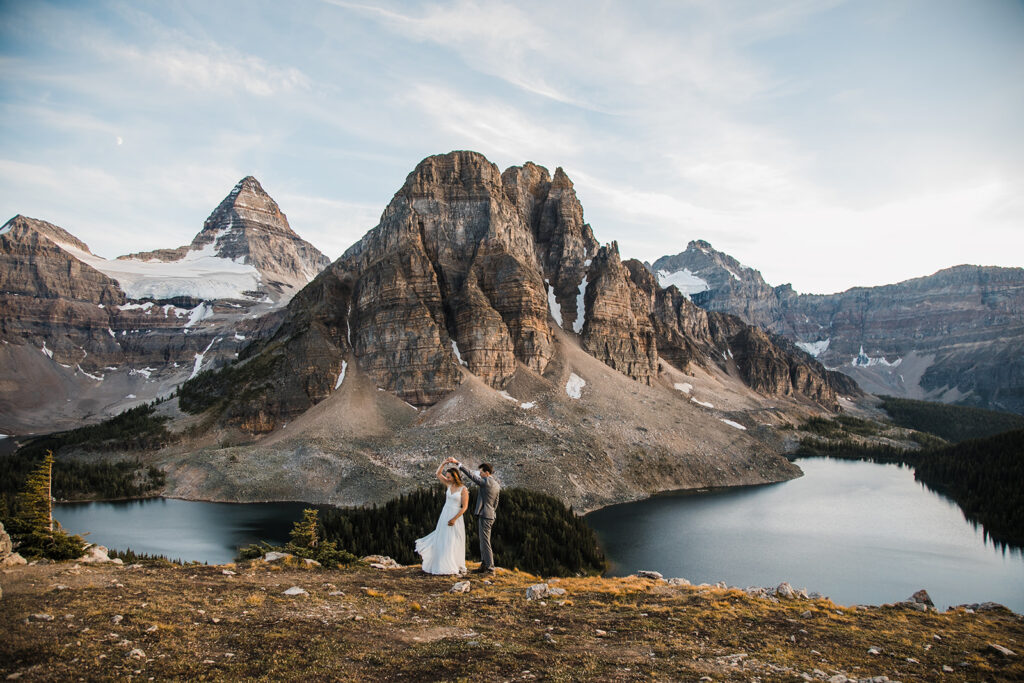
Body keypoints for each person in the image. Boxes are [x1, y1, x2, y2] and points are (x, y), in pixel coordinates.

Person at [414, 459, 469, 575]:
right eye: (447, 477)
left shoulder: (463, 489)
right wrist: (444, 463)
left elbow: (464, 507)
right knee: (442, 537)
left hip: (455, 515)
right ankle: (441, 563)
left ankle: (454, 562)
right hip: (445, 513)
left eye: (449, 477)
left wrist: (454, 519)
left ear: (455, 477)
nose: (447, 478)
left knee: (453, 540)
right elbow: (437, 474)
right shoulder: (449, 485)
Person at [447, 456, 500, 573]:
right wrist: (491, 512)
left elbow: (471, 476)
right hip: (490, 514)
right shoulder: (496, 484)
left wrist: (458, 464)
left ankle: (490, 568)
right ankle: (484, 565)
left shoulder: (486, 482)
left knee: (485, 541)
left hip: (485, 515)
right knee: (483, 540)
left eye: (481, 472)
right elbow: (496, 502)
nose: (479, 474)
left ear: (486, 473)